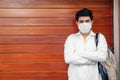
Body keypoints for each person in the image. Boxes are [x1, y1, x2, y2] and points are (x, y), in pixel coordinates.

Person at [64, 8, 108, 80]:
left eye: (87, 21)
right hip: (75, 77)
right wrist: (93, 60)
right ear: (77, 23)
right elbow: (68, 59)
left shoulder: (100, 38)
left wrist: (79, 52)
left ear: (92, 22)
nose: (84, 23)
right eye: (81, 21)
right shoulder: (71, 38)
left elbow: (102, 57)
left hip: (94, 77)